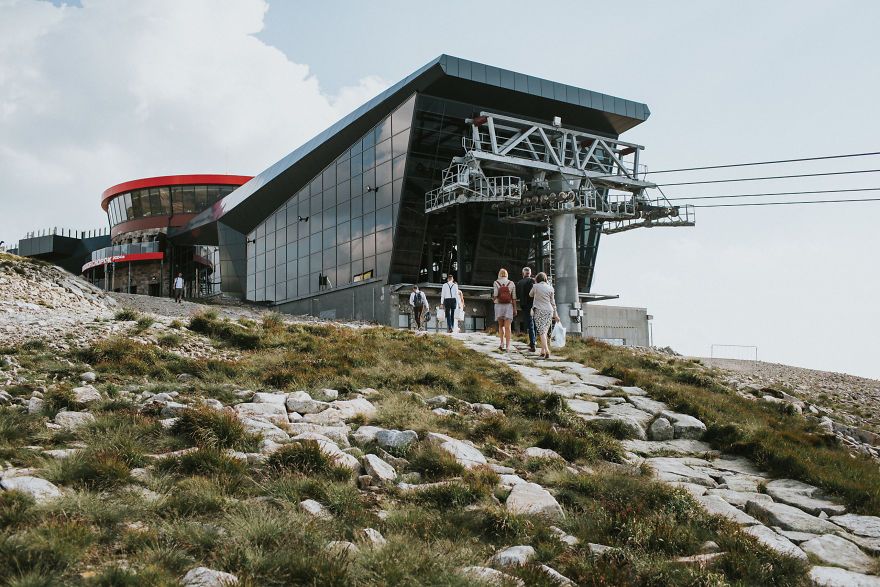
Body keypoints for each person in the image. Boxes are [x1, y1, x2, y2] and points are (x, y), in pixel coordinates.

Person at [529, 272, 560, 359]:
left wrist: (535, 286)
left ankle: (546, 350)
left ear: (537, 279)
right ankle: (542, 351)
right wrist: (556, 315)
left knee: (541, 331)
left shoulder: (535, 287)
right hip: (549, 310)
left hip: (539, 310)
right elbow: (553, 303)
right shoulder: (551, 288)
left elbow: (530, 294)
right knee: (545, 331)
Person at [493, 268, 516, 351]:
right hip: (508, 306)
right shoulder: (511, 283)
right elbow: (514, 298)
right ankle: (508, 346)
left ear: (499, 274)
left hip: (499, 305)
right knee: (508, 327)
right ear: (507, 274)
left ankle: (501, 343)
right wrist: (515, 309)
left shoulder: (496, 282)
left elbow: (495, 294)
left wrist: (493, 299)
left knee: (501, 325)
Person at [516, 266, 537, 352]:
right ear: (530, 274)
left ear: (523, 274)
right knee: (535, 324)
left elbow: (517, 296)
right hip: (535, 305)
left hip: (525, 306)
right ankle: (534, 342)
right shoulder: (534, 281)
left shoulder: (520, 283)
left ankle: (532, 344)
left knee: (530, 324)